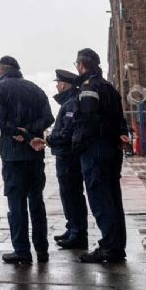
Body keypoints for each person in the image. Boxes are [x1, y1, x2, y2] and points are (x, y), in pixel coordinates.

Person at [0, 55, 54, 264]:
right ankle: (42, 250)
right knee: (37, 201)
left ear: (1, 70)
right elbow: (49, 117)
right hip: (35, 154)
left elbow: (0, 120)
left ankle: (22, 252)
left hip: (13, 155)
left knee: (16, 203)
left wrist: (21, 134)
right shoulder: (35, 89)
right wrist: (32, 133)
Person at [72, 48, 130, 263]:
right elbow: (119, 119)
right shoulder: (109, 88)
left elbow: (88, 119)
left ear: (80, 65)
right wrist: (120, 135)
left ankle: (109, 247)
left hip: (96, 150)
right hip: (112, 150)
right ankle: (116, 245)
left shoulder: (89, 88)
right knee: (113, 199)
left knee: (100, 199)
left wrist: (78, 143)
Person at [45, 70, 87, 249]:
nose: (56, 86)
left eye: (58, 83)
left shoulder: (70, 104)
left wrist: (49, 140)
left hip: (68, 156)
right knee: (68, 195)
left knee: (72, 195)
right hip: (67, 155)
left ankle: (77, 234)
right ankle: (72, 229)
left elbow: (67, 133)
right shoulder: (70, 102)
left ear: (63, 85)